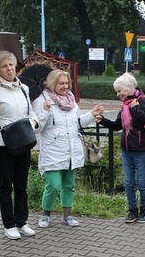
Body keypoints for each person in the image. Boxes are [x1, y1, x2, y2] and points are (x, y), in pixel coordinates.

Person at [32, 69, 103, 228]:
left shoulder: (71, 101)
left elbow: (77, 123)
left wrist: (92, 114)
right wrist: (45, 111)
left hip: (72, 150)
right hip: (52, 152)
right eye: (61, 83)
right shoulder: (42, 101)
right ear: (52, 84)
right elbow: (36, 128)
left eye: (66, 83)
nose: (65, 86)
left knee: (69, 185)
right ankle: (45, 214)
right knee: (54, 185)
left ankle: (67, 215)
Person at [0, 50, 39, 240]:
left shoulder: (24, 88)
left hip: (23, 141)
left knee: (22, 184)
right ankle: (9, 224)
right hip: (3, 144)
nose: (9, 69)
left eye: (11, 65)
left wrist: (34, 123)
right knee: (6, 185)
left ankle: (22, 221)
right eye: (4, 66)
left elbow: (30, 112)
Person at [96, 73, 145, 223]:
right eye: (117, 91)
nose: (118, 94)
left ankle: (144, 210)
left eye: (120, 91)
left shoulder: (142, 101)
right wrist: (102, 120)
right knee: (129, 183)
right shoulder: (125, 105)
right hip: (127, 149)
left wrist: (136, 110)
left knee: (142, 182)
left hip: (142, 150)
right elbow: (118, 125)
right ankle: (132, 210)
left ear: (129, 88)